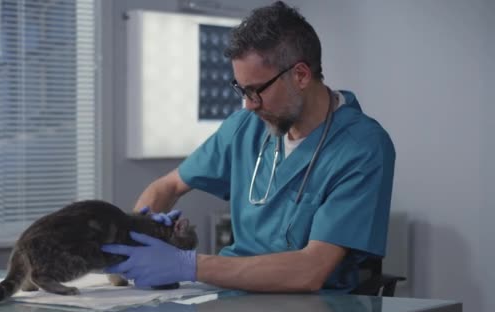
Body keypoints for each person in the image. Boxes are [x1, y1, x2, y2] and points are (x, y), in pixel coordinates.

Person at [102, 1, 395, 293]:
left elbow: (311, 270)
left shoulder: (363, 148)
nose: (249, 105)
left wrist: (186, 265)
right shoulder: (245, 126)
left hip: (312, 304)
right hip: (231, 294)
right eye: (242, 90)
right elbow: (167, 186)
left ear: (301, 75)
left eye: (257, 90)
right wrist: (133, 242)